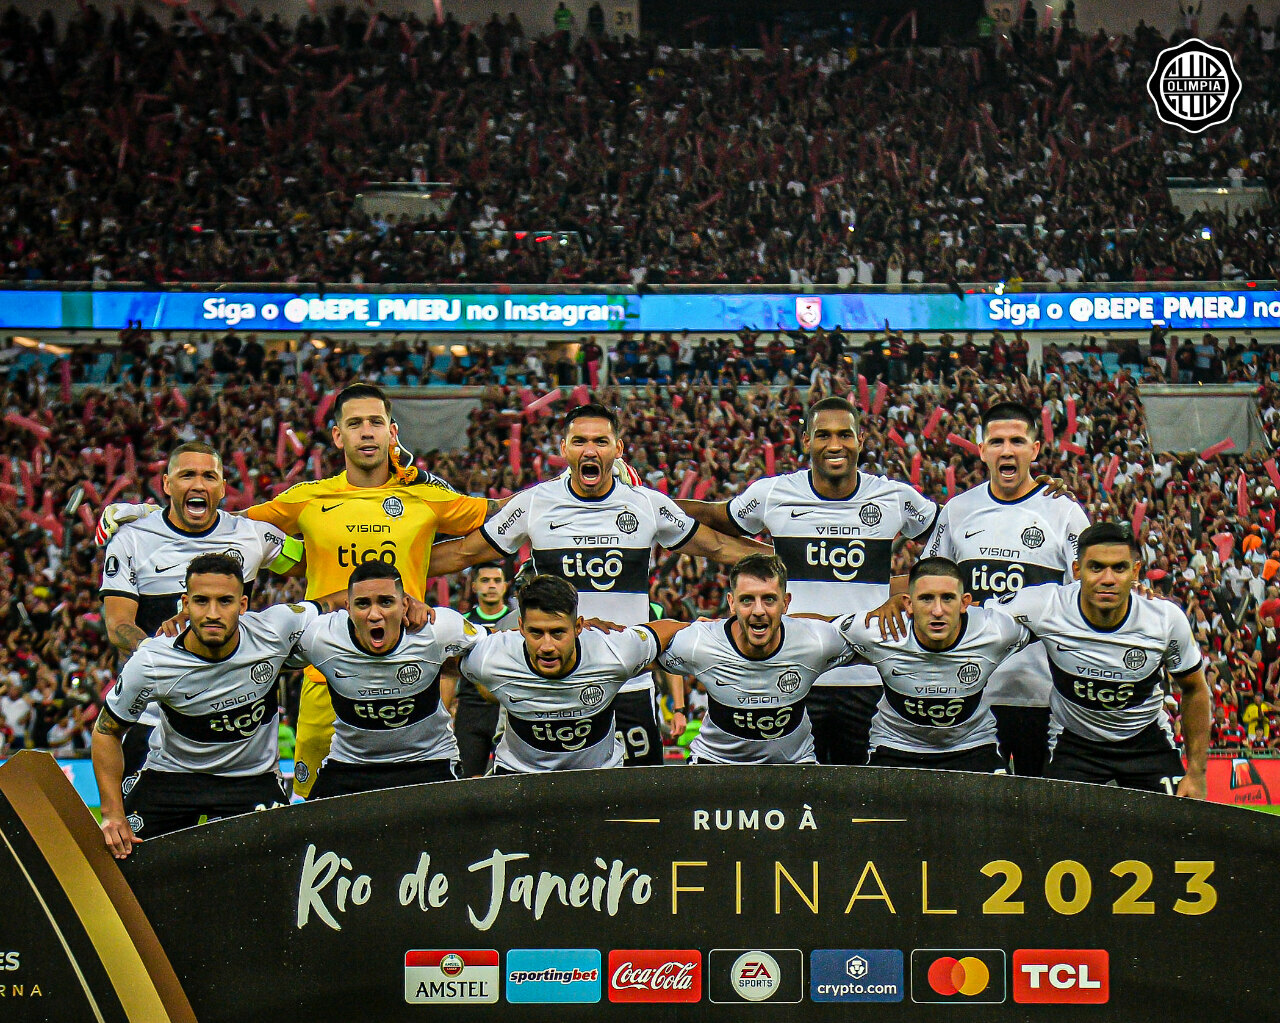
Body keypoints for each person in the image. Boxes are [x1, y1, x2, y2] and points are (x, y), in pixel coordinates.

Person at [427, 402, 767, 767]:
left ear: (618, 450)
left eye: (601, 442)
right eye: (580, 441)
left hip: (629, 682)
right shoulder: (535, 503)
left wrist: (781, 560)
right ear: (564, 449)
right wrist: (393, 568)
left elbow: (716, 546)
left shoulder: (646, 504)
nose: (590, 450)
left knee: (638, 801)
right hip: (558, 686)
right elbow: (463, 553)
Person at [242, 383, 502, 798]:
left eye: (376, 423)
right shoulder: (307, 498)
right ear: (338, 436)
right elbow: (233, 528)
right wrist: (153, 518)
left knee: (412, 802)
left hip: (406, 673)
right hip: (327, 673)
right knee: (314, 808)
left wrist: (563, 494)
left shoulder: (425, 496)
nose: (367, 432)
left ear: (392, 433)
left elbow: (500, 514)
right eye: (355, 423)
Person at [676, 396, 938, 767]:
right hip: (794, 677)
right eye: (823, 435)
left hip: (868, 679)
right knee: (794, 796)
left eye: (845, 435)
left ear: (861, 440)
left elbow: (951, 533)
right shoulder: (774, 494)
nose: (835, 445)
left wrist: (908, 592)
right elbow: (717, 517)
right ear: (806, 440)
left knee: (859, 797)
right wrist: (646, 502)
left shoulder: (893, 497)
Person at [92, 554, 339, 858]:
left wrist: (407, 602)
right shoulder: (152, 662)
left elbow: (341, 601)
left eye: (225, 601)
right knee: (124, 860)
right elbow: (106, 731)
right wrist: (113, 814)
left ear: (243, 605)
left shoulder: (274, 629)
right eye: (201, 601)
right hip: (173, 776)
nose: (212, 613)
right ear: (185, 604)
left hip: (250, 779)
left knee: (280, 868)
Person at [99, 442, 302, 778]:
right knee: (148, 831)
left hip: (236, 711)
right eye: (186, 475)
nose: (198, 484)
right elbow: (118, 625)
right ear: (166, 484)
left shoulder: (253, 536)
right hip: (155, 714)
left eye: (209, 476)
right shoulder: (132, 539)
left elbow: (314, 561)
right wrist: (162, 654)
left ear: (222, 487)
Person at [924, 402, 1089, 776]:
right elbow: (927, 584)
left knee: (1044, 817)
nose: (1007, 450)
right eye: (996, 442)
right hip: (971, 693)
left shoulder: (1063, 512)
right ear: (982, 450)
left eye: (1017, 440)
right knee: (975, 816)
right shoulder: (958, 510)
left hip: (1045, 695)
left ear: (1035, 449)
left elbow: (1086, 594)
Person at [994, 523, 1210, 796]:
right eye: (1096, 567)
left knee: (1178, 830)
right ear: (1076, 571)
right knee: (1057, 833)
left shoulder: (1164, 619)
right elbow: (975, 618)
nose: (1107, 578)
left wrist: (1197, 773)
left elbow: (1194, 688)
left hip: (1146, 742)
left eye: (1119, 568)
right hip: (1074, 743)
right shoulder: (1047, 606)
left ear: (1135, 571)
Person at [457, 575, 689, 774]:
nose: (547, 646)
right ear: (521, 627)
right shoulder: (492, 655)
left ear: (579, 626)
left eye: (558, 632)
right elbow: (443, 659)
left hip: (597, 778)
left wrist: (705, 630)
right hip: (520, 777)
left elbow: (669, 630)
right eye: (536, 632)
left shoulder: (612, 650)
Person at [293, 561, 487, 797]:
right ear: (348, 608)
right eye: (362, 604)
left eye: (386, 602)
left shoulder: (437, 628)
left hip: (429, 761)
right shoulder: (322, 637)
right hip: (351, 765)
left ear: (405, 604)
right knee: (314, 832)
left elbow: (494, 649)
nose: (375, 615)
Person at [657, 554, 857, 765]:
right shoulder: (701, 642)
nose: (758, 611)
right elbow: (644, 655)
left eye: (769, 599)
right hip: (715, 764)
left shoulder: (815, 640)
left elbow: (874, 647)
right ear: (732, 603)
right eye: (747, 600)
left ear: (785, 602)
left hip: (794, 766)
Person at [835, 557, 1031, 772]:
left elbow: (1057, 624)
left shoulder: (995, 631)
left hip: (973, 745)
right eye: (926, 599)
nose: (937, 611)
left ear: (965, 602)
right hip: (896, 746)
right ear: (908, 603)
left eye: (948, 598)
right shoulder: (881, 631)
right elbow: (812, 630)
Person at [455, 564, 519, 777]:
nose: (491, 586)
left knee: (506, 777)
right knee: (470, 779)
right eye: (485, 580)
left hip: (507, 709)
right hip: (471, 710)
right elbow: (449, 674)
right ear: (473, 586)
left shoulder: (518, 623)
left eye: (496, 580)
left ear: (505, 586)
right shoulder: (461, 624)